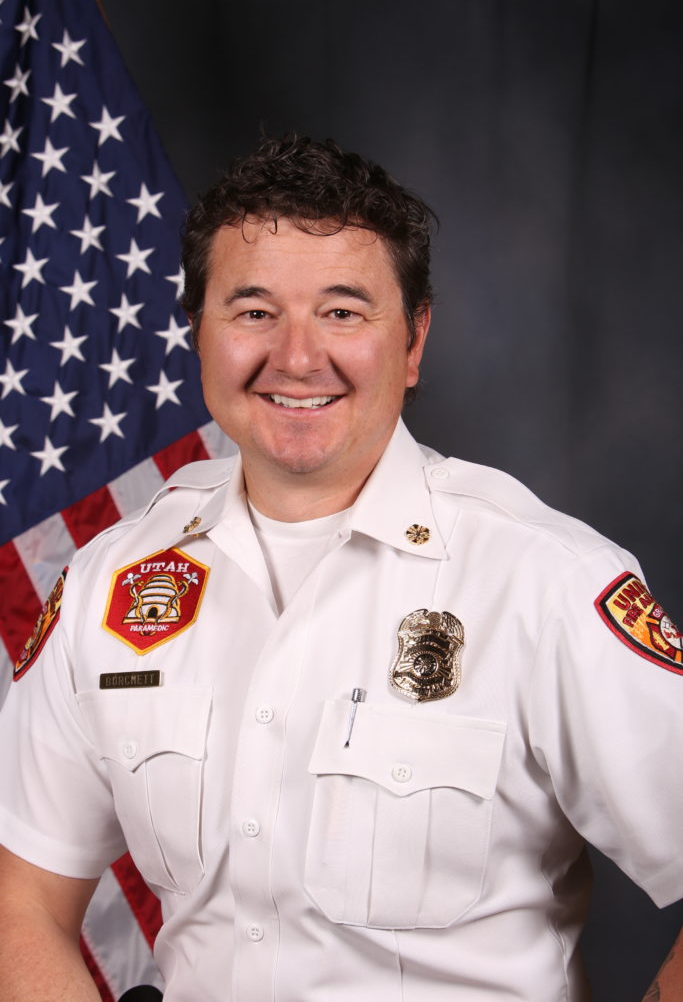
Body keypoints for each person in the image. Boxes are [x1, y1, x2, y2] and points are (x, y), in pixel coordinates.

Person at [0, 134, 680, 1002]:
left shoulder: (542, 584)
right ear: (197, 333)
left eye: (343, 312)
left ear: (413, 340)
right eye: (253, 311)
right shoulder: (110, 584)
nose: (295, 357)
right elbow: (23, 901)